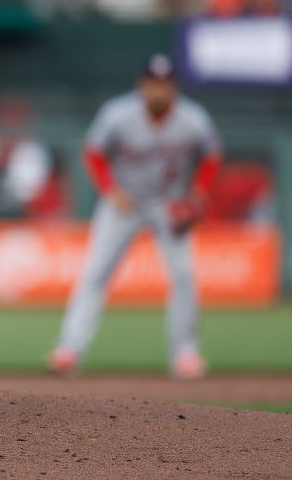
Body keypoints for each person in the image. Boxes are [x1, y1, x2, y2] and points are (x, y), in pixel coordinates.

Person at [49, 54, 222, 379]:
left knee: (184, 276)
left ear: (174, 87)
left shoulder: (193, 118)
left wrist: (199, 191)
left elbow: (212, 155)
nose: (158, 90)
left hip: (169, 203)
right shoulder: (118, 113)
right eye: (153, 83)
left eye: (165, 84)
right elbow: (94, 151)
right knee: (95, 273)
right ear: (142, 84)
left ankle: (185, 353)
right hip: (124, 203)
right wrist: (110, 189)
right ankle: (69, 350)